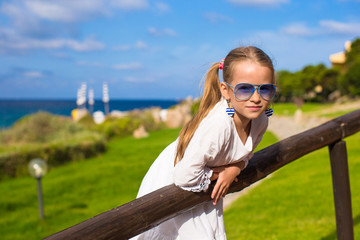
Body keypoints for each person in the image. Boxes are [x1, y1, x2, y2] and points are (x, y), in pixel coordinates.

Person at [131, 46, 276, 240]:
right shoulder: (219, 126)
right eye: (245, 89)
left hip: (201, 186)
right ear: (226, 90)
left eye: (265, 89)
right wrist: (218, 174)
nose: (256, 98)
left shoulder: (260, 121)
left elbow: (246, 155)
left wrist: (236, 168)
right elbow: (184, 175)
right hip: (173, 181)